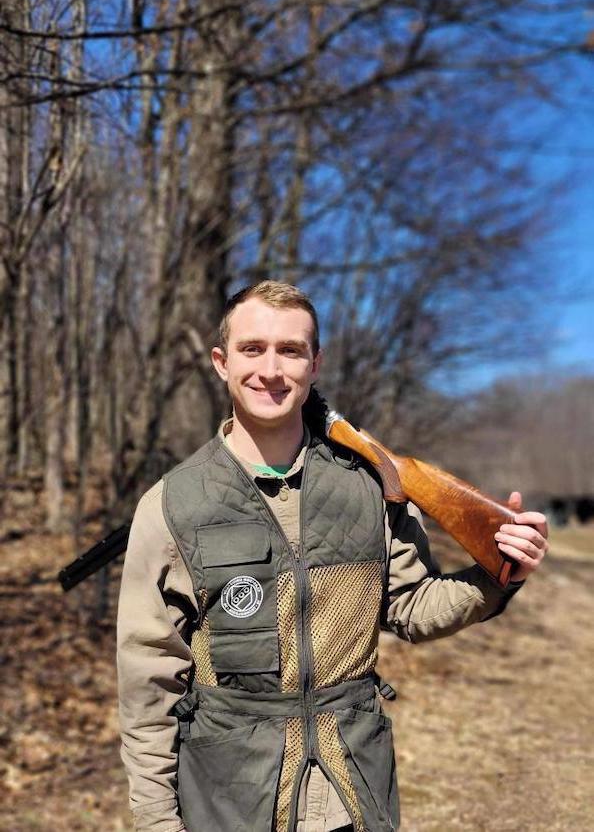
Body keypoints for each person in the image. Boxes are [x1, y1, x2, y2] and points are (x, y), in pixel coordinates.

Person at [117, 280, 548, 832]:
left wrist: (499, 575)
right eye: (252, 349)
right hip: (230, 798)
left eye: (290, 350)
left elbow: (411, 606)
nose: (270, 369)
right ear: (221, 362)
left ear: (315, 364)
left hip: (352, 789)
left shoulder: (372, 485)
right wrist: (157, 822)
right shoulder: (172, 504)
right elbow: (147, 679)